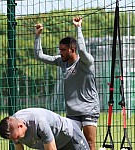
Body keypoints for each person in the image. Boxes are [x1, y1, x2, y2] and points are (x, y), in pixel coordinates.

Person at [34, 16, 100, 150]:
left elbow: (82, 50)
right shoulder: (61, 61)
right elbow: (39, 56)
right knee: (69, 144)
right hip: (72, 112)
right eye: (60, 49)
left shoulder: (86, 62)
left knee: (90, 144)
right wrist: (37, 36)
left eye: (63, 50)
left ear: (72, 50)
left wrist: (78, 27)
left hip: (89, 110)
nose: (60, 52)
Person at [0, 108, 90, 150]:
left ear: (20, 126)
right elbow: (19, 148)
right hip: (52, 143)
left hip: (69, 136)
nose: (16, 140)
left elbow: (51, 149)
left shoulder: (39, 123)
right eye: (13, 139)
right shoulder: (12, 127)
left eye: (17, 137)